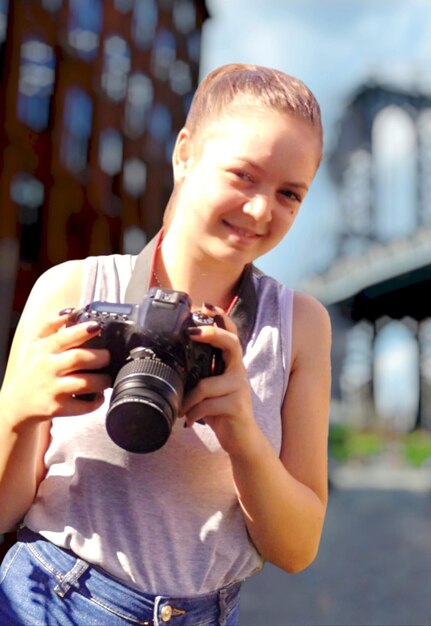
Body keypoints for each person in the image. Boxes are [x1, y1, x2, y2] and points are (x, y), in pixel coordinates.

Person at [0, 63, 331, 626]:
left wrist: (244, 437)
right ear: (185, 154)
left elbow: (296, 550)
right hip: (47, 602)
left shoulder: (299, 325)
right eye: (243, 175)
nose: (260, 210)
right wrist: (18, 413)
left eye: (289, 193)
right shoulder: (74, 290)